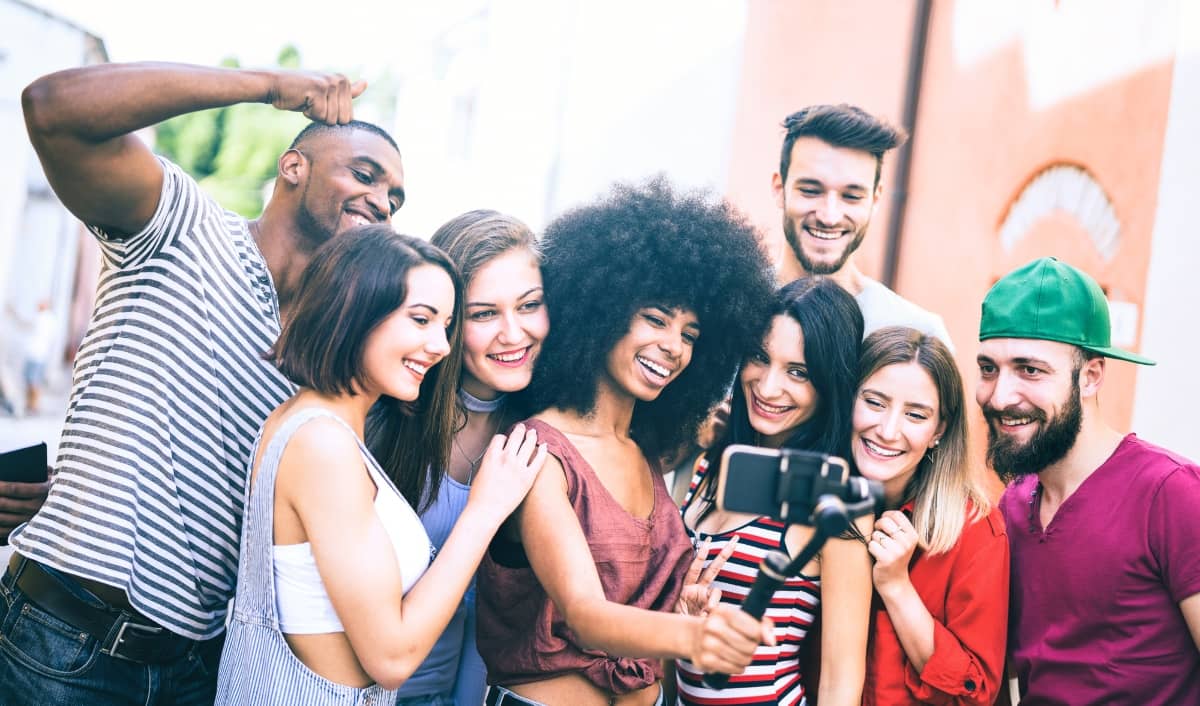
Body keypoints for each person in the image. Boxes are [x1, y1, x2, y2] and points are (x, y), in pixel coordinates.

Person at [2, 61, 405, 704]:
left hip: (196, 672)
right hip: (64, 644)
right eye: (365, 174)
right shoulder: (186, 228)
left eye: (394, 199)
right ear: (292, 166)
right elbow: (51, 108)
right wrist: (268, 87)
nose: (382, 202)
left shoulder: (332, 350)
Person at [476, 179, 778, 706]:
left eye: (690, 335)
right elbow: (587, 616)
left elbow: (634, 616)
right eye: (656, 319)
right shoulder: (536, 451)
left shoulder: (646, 455)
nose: (673, 347)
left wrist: (682, 610)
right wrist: (696, 637)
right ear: (603, 308)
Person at [214, 226, 546, 704]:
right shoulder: (322, 443)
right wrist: (486, 510)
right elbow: (392, 659)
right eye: (421, 319)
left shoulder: (315, 422)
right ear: (357, 311)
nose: (441, 346)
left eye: (445, 325)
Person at [978, 257, 1200, 705]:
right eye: (988, 368)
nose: (1000, 395)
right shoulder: (1013, 505)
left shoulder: (1172, 493)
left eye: (1030, 369)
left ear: (1091, 376)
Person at [676, 277, 872, 706]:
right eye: (759, 358)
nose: (767, 387)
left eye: (798, 372)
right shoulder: (706, 465)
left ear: (830, 384)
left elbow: (841, 682)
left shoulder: (835, 499)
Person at [392, 210, 549, 706]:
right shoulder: (389, 420)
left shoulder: (547, 434)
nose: (513, 333)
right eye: (484, 314)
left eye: (530, 305)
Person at [853, 326, 1008, 705]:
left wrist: (896, 586)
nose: (888, 431)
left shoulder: (976, 532)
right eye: (874, 402)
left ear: (939, 430)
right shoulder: (814, 500)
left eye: (915, 415)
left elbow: (974, 692)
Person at [772, 104, 951, 346]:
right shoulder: (723, 310)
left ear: (875, 199)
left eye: (852, 196)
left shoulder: (917, 333)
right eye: (811, 191)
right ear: (779, 189)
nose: (829, 216)